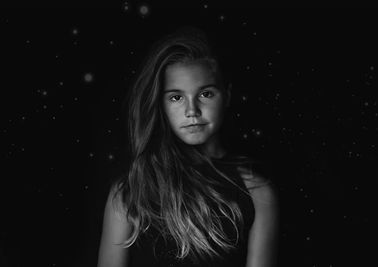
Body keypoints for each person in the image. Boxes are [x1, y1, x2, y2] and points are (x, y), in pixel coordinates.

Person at [97, 26, 280, 267]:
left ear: (227, 95)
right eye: (176, 97)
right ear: (159, 104)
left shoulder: (257, 193)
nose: (192, 111)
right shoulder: (130, 191)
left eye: (205, 94)